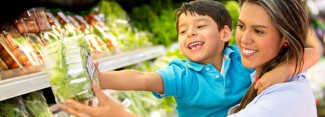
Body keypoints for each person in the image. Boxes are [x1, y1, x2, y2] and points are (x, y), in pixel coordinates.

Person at [60, 0, 320, 117]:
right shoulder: (181, 74)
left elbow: (311, 51)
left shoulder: (242, 60)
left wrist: (284, 69)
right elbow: (142, 78)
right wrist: (100, 78)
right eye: (183, 31)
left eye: (200, 26)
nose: (190, 33)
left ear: (223, 33)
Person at [227, 0, 317, 116]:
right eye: (241, 26)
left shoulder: (281, 101)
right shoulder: (280, 69)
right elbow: (312, 53)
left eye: (258, 31)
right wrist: (287, 67)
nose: (244, 39)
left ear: (286, 37)